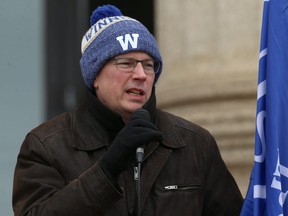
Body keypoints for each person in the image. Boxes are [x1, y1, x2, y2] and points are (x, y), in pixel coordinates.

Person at [12, 4, 243, 216]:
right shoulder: (46, 145)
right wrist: (106, 169)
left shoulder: (194, 144)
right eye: (126, 63)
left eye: (149, 65)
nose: (141, 75)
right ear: (95, 76)